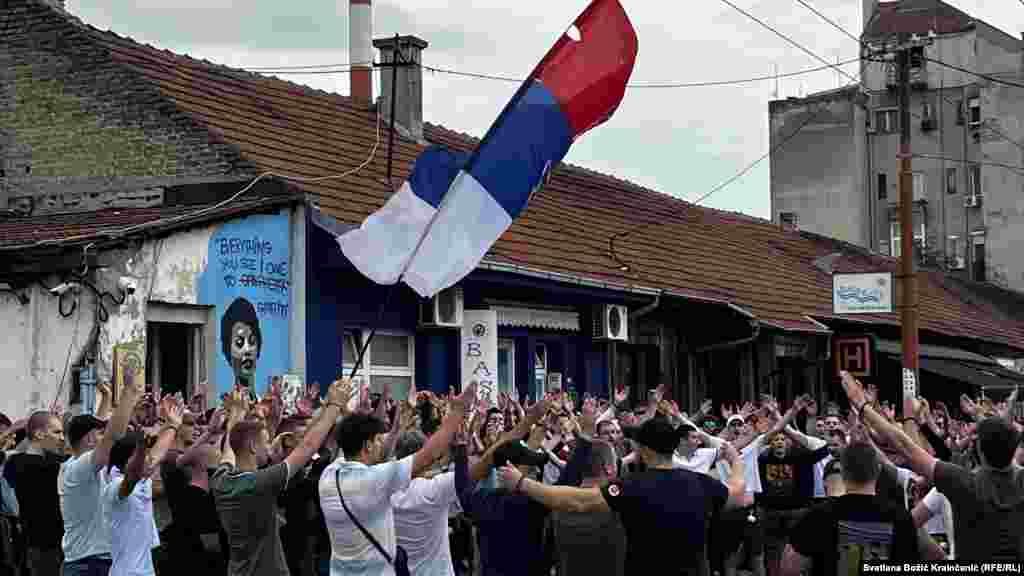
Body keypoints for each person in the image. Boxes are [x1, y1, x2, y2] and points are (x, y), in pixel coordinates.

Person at [498, 416, 746, 576]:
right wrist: (735, 461)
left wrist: (522, 483)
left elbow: (579, 500)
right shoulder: (702, 483)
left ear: (643, 449)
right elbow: (737, 493)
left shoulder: (631, 486)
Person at [840, 370, 1024, 561]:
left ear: (978, 448)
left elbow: (905, 446)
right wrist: (994, 421)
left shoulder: (963, 482)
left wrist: (862, 405)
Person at [319, 382, 476, 576]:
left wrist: (394, 426)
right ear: (367, 446)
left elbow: (378, 452)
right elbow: (429, 454)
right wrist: (457, 413)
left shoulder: (329, 475)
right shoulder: (375, 481)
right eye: (378, 440)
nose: (382, 444)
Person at [213, 379, 352, 576]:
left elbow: (229, 446)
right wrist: (335, 405)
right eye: (265, 443)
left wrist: (237, 413)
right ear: (252, 447)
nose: (269, 448)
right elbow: (307, 447)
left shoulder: (221, 479)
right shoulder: (260, 483)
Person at [781, 441, 921, 576]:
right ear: (878, 470)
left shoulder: (817, 515)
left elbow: (789, 568)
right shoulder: (901, 517)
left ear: (842, 471)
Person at [59, 371, 142, 576]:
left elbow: (108, 426)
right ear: (89, 439)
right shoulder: (79, 467)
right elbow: (114, 434)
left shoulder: (77, 466)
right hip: (86, 566)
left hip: (91, 562)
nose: (103, 438)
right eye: (99, 434)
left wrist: (110, 397)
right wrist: (128, 392)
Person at [103, 398, 182, 576]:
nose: (147, 460)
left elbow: (157, 454)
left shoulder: (142, 477)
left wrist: (173, 425)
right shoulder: (114, 486)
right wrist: (141, 448)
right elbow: (130, 480)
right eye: (139, 457)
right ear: (125, 461)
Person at [4, 410, 66, 576]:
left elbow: (21, 451)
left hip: (30, 546)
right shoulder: (56, 465)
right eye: (57, 432)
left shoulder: (14, 463)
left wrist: (11, 432)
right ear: (39, 434)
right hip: (49, 548)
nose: (62, 438)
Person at [221, 297, 262, 390]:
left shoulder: (267, 402)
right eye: (239, 343)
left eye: (252, 342)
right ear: (228, 351)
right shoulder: (226, 403)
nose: (247, 349)